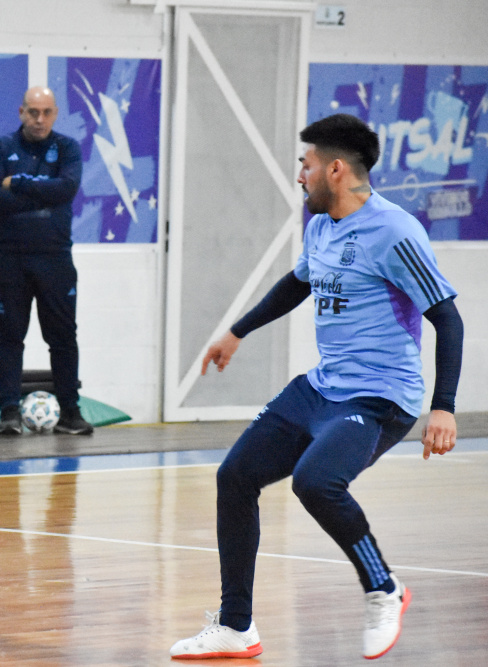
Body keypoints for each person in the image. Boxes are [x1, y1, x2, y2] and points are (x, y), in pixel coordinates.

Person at [170, 114, 463, 661]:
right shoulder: (322, 226)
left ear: (335, 169)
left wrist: (443, 407)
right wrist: (237, 331)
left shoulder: (395, 232)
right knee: (235, 477)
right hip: (322, 387)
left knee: (316, 482)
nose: (299, 175)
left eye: (305, 164)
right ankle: (236, 626)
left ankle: (384, 589)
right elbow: (297, 284)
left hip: (380, 397)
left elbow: (447, 318)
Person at [0, 85, 92, 436]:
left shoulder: (68, 148)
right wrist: (45, 195)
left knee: (63, 337)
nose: (39, 119)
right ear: (21, 112)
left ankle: (70, 412)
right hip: (10, 260)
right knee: (10, 337)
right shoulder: (2, 148)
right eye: (33, 112)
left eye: (46, 112)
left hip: (55, 259)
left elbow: (67, 189)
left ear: (55, 114)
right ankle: (9, 412)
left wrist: (18, 183)